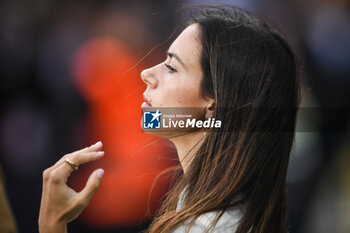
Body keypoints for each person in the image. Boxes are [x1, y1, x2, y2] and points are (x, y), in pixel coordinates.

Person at [38, 5, 300, 233]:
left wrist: (52, 225)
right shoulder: (210, 208)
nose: (146, 74)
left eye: (172, 67)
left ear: (212, 107)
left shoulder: (205, 226)